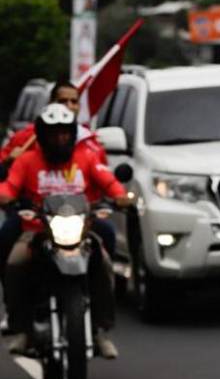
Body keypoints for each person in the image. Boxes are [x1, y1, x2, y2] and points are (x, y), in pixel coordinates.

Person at [1, 104, 130, 359]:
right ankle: (22, 329)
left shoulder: (86, 158)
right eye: (53, 133)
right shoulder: (28, 160)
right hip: (37, 231)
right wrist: (5, 196)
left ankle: (100, 330)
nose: (60, 139)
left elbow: (109, 182)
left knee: (103, 264)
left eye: (65, 133)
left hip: (81, 232)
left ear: (72, 134)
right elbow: (10, 185)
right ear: (42, 135)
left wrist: (121, 197)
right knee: (15, 264)